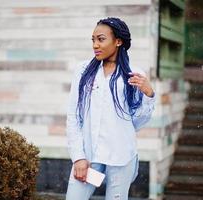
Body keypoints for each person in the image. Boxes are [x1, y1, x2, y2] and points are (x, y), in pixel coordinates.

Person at [65, 17, 155, 200]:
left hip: (121, 157)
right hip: (89, 157)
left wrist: (148, 95)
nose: (95, 45)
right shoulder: (83, 72)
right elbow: (74, 116)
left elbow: (136, 123)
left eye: (101, 39)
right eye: (93, 40)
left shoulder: (134, 75)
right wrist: (78, 157)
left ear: (118, 41)